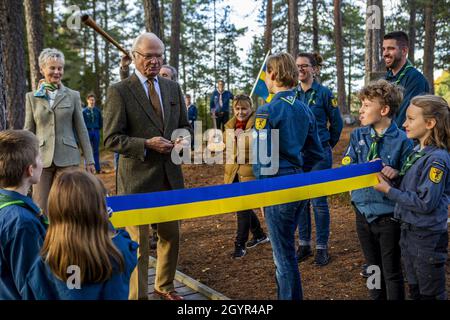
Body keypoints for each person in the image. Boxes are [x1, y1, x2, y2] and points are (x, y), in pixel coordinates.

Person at [104, 32, 192, 300]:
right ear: (134, 57)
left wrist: (182, 140)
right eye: (148, 56)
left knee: (171, 237)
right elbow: (111, 138)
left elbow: (186, 127)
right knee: (139, 246)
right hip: (136, 182)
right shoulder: (119, 91)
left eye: (158, 55)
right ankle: (138, 295)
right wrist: (146, 144)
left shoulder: (172, 88)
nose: (154, 61)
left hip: (169, 178)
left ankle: (164, 286)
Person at [253, 52, 323, 300]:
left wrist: (261, 195)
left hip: (276, 187)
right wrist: (299, 170)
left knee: (283, 258)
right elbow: (317, 152)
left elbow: (262, 160)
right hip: (299, 184)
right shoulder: (305, 110)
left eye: (266, 74)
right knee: (286, 253)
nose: (265, 79)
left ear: (272, 74)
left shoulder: (267, 111)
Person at [342, 80, 413, 300]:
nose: (360, 110)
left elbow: (410, 179)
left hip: (388, 217)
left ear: (384, 110)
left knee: (391, 269)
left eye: (366, 105)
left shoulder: (403, 140)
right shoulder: (358, 136)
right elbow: (347, 161)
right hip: (362, 212)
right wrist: (353, 166)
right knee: (373, 267)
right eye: (360, 104)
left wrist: (397, 173)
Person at [374, 95, 450, 300]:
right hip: (409, 232)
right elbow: (412, 187)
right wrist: (393, 177)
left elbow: (425, 203)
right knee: (415, 290)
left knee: (430, 294)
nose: (404, 124)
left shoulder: (437, 160)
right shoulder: (417, 151)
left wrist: (388, 191)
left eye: (410, 119)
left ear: (430, 123)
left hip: (427, 237)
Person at [21, 170, 138, 299]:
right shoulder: (118, 252)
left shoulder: (46, 259)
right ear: (99, 209)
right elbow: (128, 254)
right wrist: (105, 223)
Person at [24, 48, 95, 215]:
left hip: (68, 158)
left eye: (60, 68)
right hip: (40, 160)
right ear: (42, 69)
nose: (57, 72)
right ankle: (45, 240)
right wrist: (26, 160)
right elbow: (28, 131)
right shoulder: (32, 97)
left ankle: (66, 240)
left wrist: (90, 160)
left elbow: (82, 129)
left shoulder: (73, 96)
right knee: (41, 206)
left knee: (67, 204)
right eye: (52, 68)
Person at [295, 52, 343, 266]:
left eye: (305, 66)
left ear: (314, 69)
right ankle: (304, 244)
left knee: (318, 201)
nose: (300, 70)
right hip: (298, 155)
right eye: (297, 66)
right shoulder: (292, 94)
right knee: (301, 201)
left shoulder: (324, 93)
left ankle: (322, 247)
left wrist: (326, 146)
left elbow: (337, 124)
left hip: (319, 155)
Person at [0, 130, 46, 299]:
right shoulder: (23, 223)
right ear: (30, 170)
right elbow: (33, 287)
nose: (43, 163)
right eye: (40, 158)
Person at [223, 94, 269, 259]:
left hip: (248, 173)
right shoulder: (230, 125)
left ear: (251, 109)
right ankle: (259, 234)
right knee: (242, 206)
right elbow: (228, 149)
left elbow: (263, 150)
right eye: (237, 108)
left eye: (244, 108)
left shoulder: (257, 125)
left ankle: (239, 244)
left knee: (242, 208)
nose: (240, 112)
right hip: (233, 173)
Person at [383, 31, 430, 129]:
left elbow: (404, 119)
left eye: (391, 48)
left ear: (404, 51)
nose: (385, 53)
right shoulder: (385, 79)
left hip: (404, 141)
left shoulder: (416, 79)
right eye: (384, 49)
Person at [82, 93, 103, 174]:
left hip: (96, 131)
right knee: (87, 150)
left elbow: (101, 122)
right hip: (87, 131)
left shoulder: (97, 111)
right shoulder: (84, 111)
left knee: (96, 150)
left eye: (93, 100)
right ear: (87, 100)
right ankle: (87, 168)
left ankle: (97, 168)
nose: (92, 101)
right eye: (90, 100)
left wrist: (97, 128)